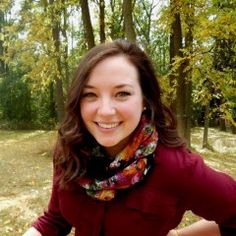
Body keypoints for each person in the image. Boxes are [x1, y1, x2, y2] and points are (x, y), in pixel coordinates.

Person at [23, 39, 236, 236]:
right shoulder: (70, 149)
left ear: (145, 100)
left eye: (122, 93)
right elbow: (56, 219)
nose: (105, 111)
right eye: (90, 94)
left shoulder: (177, 168)